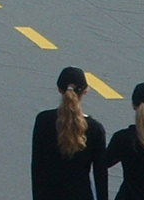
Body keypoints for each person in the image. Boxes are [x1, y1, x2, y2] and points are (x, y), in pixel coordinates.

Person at [31, 65, 108, 200]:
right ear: (85, 91)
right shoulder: (95, 129)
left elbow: (37, 167)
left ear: (60, 89)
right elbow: (100, 175)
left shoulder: (43, 121)